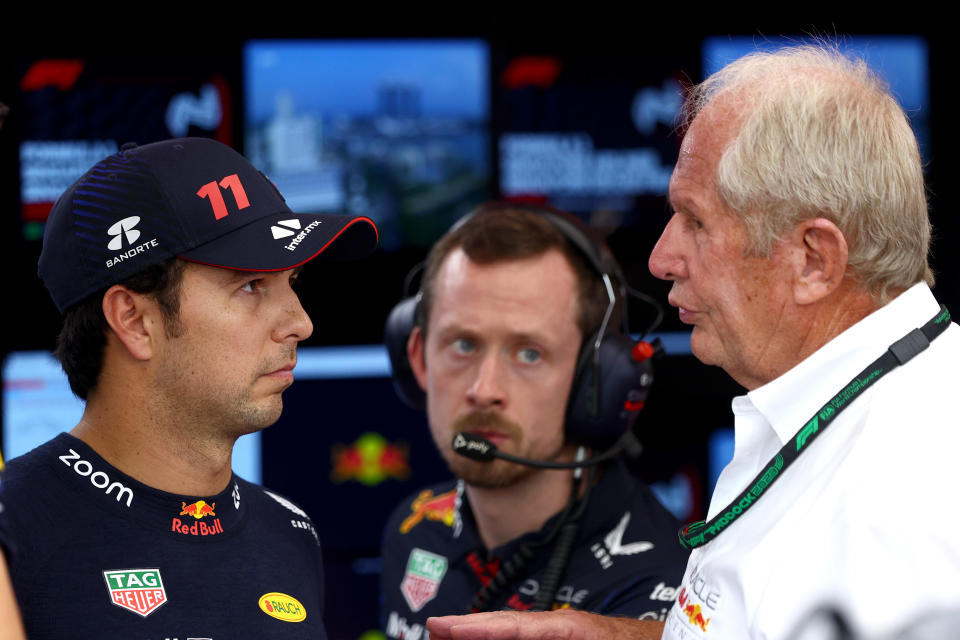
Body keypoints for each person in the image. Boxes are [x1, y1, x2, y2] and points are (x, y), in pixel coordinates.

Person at [424, 44, 960, 640]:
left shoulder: (909, 495)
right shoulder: (829, 405)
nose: (660, 258)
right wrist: (601, 635)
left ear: (814, 259)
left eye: (696, 222)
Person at [0, 137, 378, 638]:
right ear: (134, 320)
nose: (300, 323)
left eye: (293, 283)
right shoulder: (14, 533)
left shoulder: (289, 532)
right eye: (250, 286)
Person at [379, 203, 689, 638]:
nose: (484, 389)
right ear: (417, 358)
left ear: (593, 379)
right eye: (463, 344)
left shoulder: (669, 588)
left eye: (529, 353)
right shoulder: (414, 529)